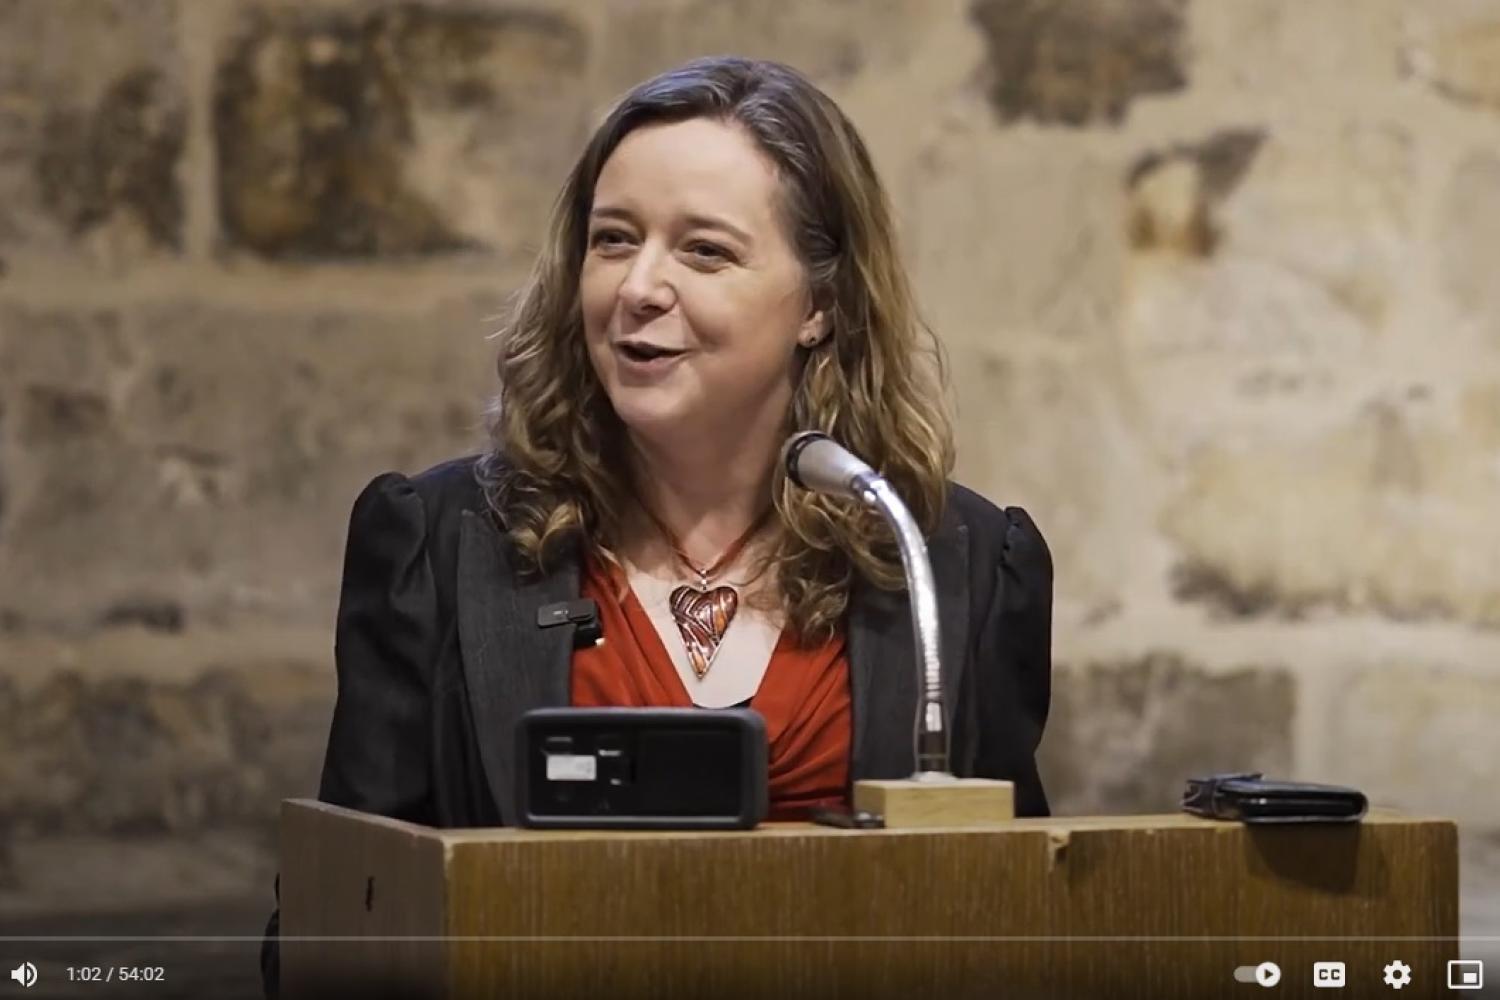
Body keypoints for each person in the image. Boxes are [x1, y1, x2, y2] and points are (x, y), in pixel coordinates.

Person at [260, 54, 1051, 997]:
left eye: (703, 251)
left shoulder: (950, 565)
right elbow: (335, 928)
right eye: (613, 240)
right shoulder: (435, 543)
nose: (638, 287)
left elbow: (1024, 923)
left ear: (821, 305)